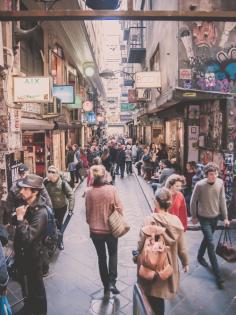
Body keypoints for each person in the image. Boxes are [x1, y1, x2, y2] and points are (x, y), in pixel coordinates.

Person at [135, 188, 189, 315]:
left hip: (150, 265)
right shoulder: (176, 222)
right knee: (160, 299)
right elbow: (182, 247)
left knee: (151, 297)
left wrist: (135, 256)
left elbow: (140, 243)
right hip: (167, 267)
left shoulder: (149, 220)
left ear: (156, 202)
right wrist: (185, 262)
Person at [85, 165, 124, 299]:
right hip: (111, 229)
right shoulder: (112, 190)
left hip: (95, 231)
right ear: (104, 176)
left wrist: (92, 222)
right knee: (113, 254)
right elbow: (119, 208)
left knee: (101, 258)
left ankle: (106, 284)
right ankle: (112, 282)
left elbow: (88, 212)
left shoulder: (89, 191)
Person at [190, 162, 230, 289]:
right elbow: (193, 201)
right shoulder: (200, 185)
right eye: (211, 174)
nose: (214, 176)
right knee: (211, 244)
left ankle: (200, 256)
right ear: (206, 174)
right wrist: (194, 216)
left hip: (215, 217)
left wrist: (225, 218)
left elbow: (222, 200)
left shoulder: (220, 183)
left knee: (207, 239)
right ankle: (218, 276)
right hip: (203, 218)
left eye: (215, 174)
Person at [14, 174, 48, 315]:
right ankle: (28, 307)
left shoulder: (40, 213)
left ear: (35, 192)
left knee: (37, 290)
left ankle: (39, 311)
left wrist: (20, 219)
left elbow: (28, 237)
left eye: (25, 189)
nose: (21, 191)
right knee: (26, 286)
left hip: (34, 258)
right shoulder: (26, 204)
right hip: (24, 255)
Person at [44, 165, 75, 250]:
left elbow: (71, 195)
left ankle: (60, 241)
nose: (50, 173)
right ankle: (50, 240)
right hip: (49, 208)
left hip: (61, 207)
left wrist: (71, 208)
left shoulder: (63, 183)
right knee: (49, 224)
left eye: (53, 172)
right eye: (49, 171)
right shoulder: (46, 182)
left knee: (59, 224)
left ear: (57, 174)